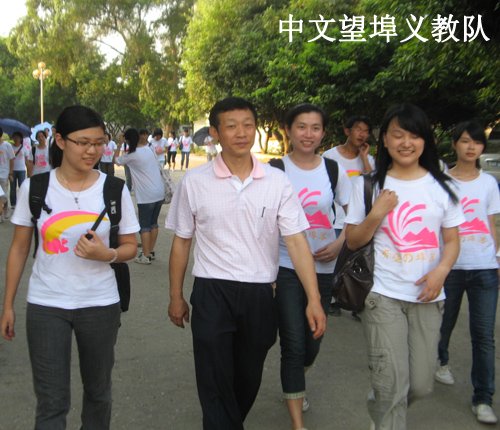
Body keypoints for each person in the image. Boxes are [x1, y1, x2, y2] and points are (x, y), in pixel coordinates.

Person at [166, 97, 326, 430]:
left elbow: (297, 242)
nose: (241, 133)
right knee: (213, 375)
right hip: (212, 291)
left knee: (248, 376)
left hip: (260, 293)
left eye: (248, 125)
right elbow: (182, 241)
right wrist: (176, 296)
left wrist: (314, 299)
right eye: (231, 126)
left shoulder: (276, 181)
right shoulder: (194, 182)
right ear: (214, 132)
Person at [0, 105, 139, 430]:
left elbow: (130, 246)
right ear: (60, 141)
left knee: (98, 394)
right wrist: (8, 305)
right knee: (51, 402)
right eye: (83, 142)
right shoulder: (35, 188)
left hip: (100, 304)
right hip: (46, 304)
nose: (92, 151)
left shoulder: (113, 189)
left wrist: (107, 255)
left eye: (99, 142)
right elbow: (19, 249)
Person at [344, 103, 465, 430]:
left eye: (415, 135)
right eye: (398, 135)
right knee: (392, 386)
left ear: (426, 140)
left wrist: (441, 271)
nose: (406, 143)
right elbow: (352, 241)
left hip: (428, 296)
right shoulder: (368, 185)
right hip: (381, 295)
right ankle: (387, 406)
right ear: (385, 139)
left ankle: (382, 404)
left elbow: (452, 241)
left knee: (421, 385)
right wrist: (376, 213)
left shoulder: (443, 186)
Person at [274, 103, 351, 430]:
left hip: (323, 268)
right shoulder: (275, 170)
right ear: (288, 130)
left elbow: (353, 214)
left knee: (312, 342)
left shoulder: (333, 170)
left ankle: (297, 376)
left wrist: (339, 242)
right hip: (285, 266)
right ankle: (297, 421)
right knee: (293, 342)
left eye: (315, 128)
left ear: (323, 133)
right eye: (301, 127)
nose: (308, 134)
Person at [435, 121, 500, 424]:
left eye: (476, 142)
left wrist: (497, 258)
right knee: (444, 322)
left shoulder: (489, 183)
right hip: (451, 267)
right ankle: (441, 360)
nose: (471, 147)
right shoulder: (441, 182)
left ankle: (483, 398)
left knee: (484, 335)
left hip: (484, 267)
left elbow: (491, 223)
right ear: (454, 145)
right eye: (465, 141)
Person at [323, 115, 374, 318]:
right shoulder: (330, 156)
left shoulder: (368, 159)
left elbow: (372, 183)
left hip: (362, 220)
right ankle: (333, 298)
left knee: (360, 260)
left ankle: (357, 301)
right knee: (335, 260)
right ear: (347, 131)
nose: (362, 134)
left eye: (366, 131)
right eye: (358, 129)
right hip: (336, 217)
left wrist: (364, 159)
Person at [115, 127, 164, 264]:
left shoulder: (131, 155)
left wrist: (119, 144)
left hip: (146, 195)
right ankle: (150, 251)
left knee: (144, 226)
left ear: (127, 140)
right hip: (159, 192)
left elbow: (116, 160)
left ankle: (146, 256)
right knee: (153, 224)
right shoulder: (148, 149)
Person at [10, 131, 32, 208]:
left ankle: (22, 202)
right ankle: (13, 203)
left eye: (18, 137)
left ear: (21, 139)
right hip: (12, 170)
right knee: (13, 187)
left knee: (22, 186)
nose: (16, 139)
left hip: (21, 170)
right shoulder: (10, 147)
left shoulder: (24, 148)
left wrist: (29, 171)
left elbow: (27, 160)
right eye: (14, 137)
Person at [0, 127, 15, 220]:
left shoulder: (7, 145)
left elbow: (11, 159)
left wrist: (10, 173)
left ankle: (6, 207)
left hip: (4, 173)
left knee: (4, 193)